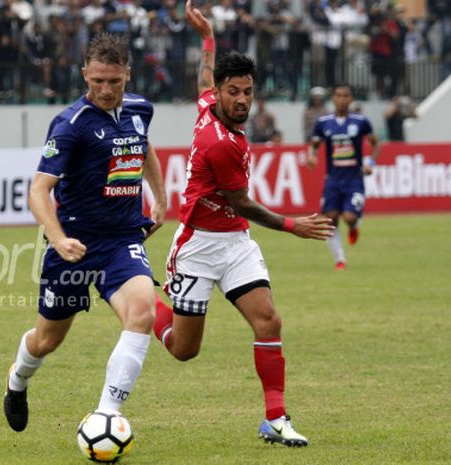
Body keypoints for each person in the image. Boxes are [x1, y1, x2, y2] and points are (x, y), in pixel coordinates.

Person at [151, 1, 334, 448]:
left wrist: (208, 37)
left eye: (248, 92)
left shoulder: (210, 103)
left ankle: (275, 418)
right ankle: (141, 303)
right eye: (234, 92)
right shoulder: (221, 145)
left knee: (268, 321)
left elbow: (203, 77)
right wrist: (294, 226)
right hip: (198, 245)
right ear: (223, 91)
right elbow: (243, 203)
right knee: (183, 349)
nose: (242, 100)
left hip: (234, 244)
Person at [3, 32, 167, 433]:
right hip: (74, 246)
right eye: (97, 81)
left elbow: (144, 149)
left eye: (113, 81)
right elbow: (39, 191)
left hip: (123, 239)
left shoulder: (140, 109)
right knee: (47, 340)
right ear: (83, 75)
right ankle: (17, 381)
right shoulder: (69, 124)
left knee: (142, 312)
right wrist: (58, 238)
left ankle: (107, 415)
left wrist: (159, 198)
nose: (105, 90)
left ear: (128, 74)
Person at [307, 84, 379, 270]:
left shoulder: (361, 122)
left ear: (350, 99)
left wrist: (370, 163)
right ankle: (340, 260)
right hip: (333, 179)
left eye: (346, 95)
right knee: (330, 218)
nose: (342, 99)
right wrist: (312, 156)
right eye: (338, 95)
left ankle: (354, 227)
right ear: (333, 98)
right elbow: (314, 144)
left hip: (354, 178)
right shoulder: (324, 122)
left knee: (349, 218)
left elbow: (375, 143)